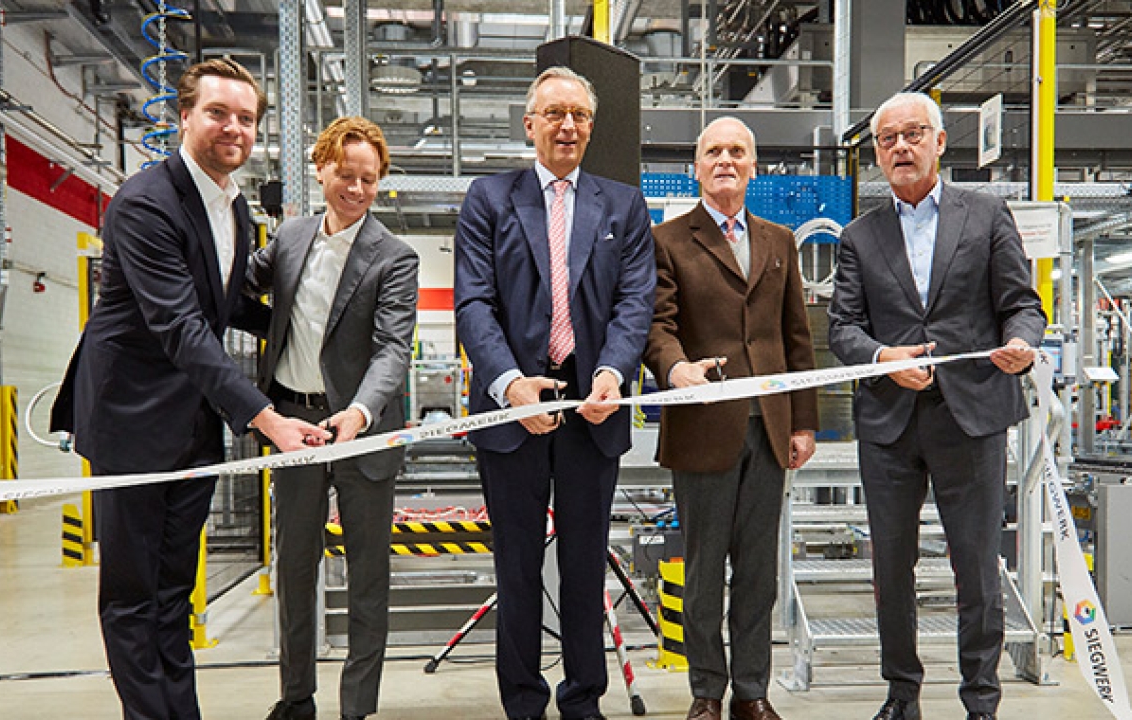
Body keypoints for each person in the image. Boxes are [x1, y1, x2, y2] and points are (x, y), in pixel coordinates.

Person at [49, 59, 327, 720]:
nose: (234, 128)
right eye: (218, 113)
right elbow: (178, 324)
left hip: (192, 425)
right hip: (133, 425)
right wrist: (266, 418)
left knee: (174, 591)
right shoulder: (145, 203)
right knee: (133, 597)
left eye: (247, 118)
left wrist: (318, 332)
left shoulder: (231, 206)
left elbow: (224, 306)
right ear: (185, 117)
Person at [827, 92, 1046, 720]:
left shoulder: (984, 215)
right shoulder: (858, 236)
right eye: (887, 138)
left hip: (971, 415)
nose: (900, 147)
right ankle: (902, 696)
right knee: (891, 569)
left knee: (976, 568)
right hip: (890, 425)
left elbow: (1022, 306)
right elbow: (843, 328)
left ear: (941, 142)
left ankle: (982, 700)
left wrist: (1021, 344)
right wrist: (881, 357)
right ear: (875, 152)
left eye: (913, 134)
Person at [453, 66, 656, 720]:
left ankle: (583, 701)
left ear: (591, 127)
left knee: (583, 570)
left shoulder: (623, 205)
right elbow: (474, 303)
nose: (567, 125)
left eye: (579, 115)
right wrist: (511, 383)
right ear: (530, 124)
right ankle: (522, 702)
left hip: (592, 408)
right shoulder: (489, 198)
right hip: (513, 411)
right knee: (514, 570)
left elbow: (635, 303)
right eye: (554, 114)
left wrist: (611, 373)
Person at [643, 117, 818, 720]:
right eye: (713, 150)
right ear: (697, 167)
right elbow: (656, 328)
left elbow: (797, 337)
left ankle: (752, 691)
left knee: (758, 573)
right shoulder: (668, 240)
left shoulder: (778, 241)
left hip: (768, 427)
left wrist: (803, 422)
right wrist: (675, 370)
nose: (725, 159)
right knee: (702, 573)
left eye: (736, 151)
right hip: (702, 426)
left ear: (753, 166)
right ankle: (707, 692)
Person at [250, 117, 419, 720]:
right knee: (296, 566)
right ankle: (297, 698)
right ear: (321, 167)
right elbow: (241, 287)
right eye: (345, 174)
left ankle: (357, 708)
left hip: (359, 430)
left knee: (366, 573)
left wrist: (360, 411)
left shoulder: (394, 258)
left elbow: (392, 349)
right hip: (293, 423)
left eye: (368, 179)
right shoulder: (290, 239)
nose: (355, 187)